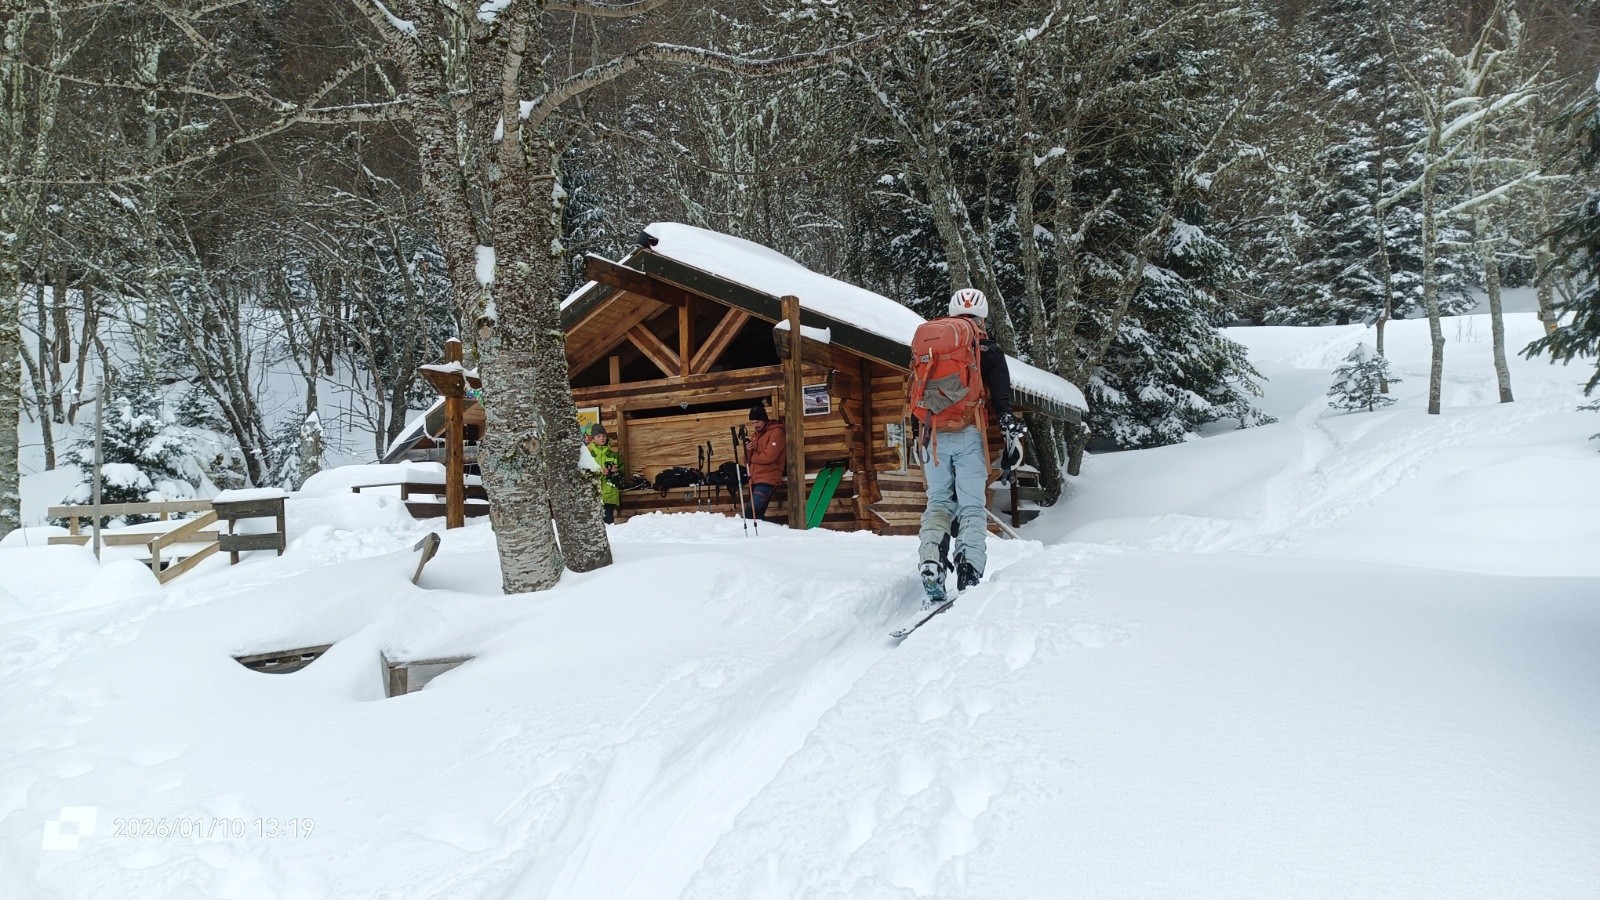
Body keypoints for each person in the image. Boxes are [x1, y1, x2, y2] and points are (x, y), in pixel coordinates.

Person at [912, 288, 1026, 604]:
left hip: (931, 435)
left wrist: (916, 438)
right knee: (971, 506)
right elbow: (1002, 398)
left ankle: (931, 558)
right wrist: (1009, 431)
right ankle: (969, 569)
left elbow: (915, 394)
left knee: (938, 502)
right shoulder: (987, 348)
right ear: (982, 318)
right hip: (968, 432)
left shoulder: (929, 347)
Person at [743, 402, 786, 521]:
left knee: (751, 514)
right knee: (756, 515)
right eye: (753, 423)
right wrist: (748, 450)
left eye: (757, 422)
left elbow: (769, 457)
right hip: (755, 479)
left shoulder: (777, 432)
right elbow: (746, 462)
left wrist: (752, 457)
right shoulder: (756, 435)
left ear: (764, 419)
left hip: (768, 478)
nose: (755, 425)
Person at [585, 422, 621, 524]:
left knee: (609, 525)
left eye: (604, 436)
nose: (602, 438)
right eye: (598, 436)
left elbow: (622, 473)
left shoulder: (614, 455)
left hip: (610, 495)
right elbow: (584, 474)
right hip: (594, 495)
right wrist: (599, 472)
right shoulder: (588, 455)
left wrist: (615, 471)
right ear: (593, 438)